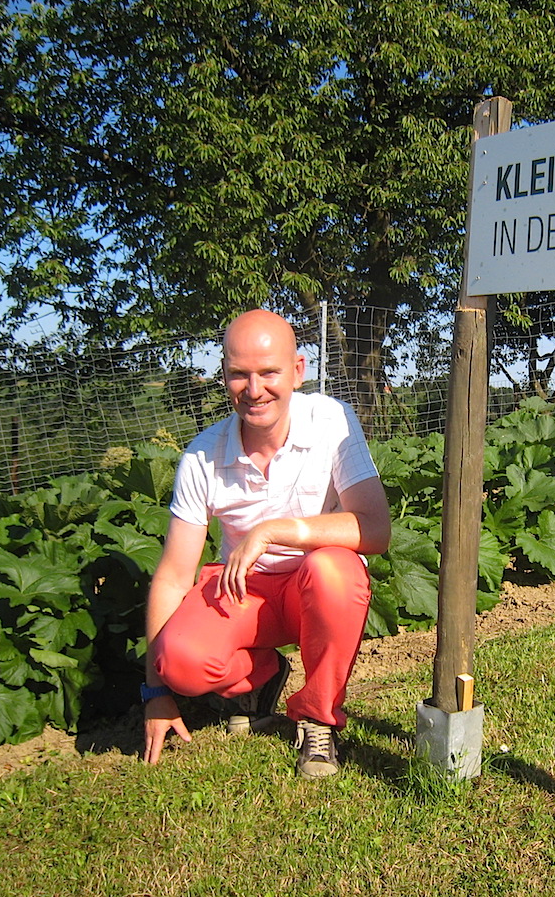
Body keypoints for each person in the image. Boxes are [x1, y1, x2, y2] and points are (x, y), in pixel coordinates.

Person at [141, 308, 391, 777]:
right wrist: (156, 693)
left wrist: (277, 530)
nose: (254, 390)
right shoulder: (202, 455)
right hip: (243, 590)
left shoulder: (332, 420)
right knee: (178, 661)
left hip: (311, 588)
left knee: (334, 570)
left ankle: (319, 719)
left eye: (269, 372)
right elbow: (174, 575)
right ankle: (263, 676)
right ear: (224, 376)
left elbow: (375, 529)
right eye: (239, 375)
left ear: (298, 371)